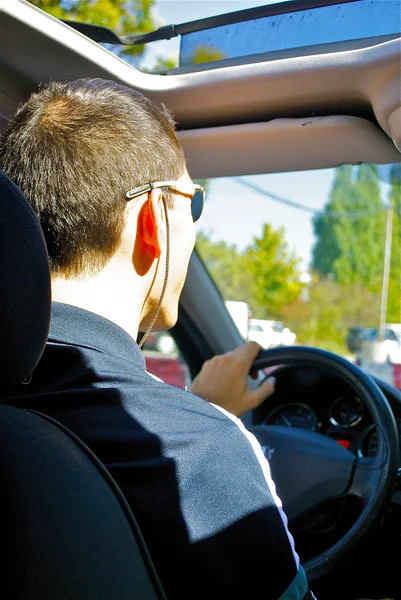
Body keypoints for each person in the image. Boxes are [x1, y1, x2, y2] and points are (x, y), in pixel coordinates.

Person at [0, 78, 314, 599]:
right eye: (192, 204)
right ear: (154, 219)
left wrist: (194, 411)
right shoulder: (201, 450)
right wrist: (204, 424)